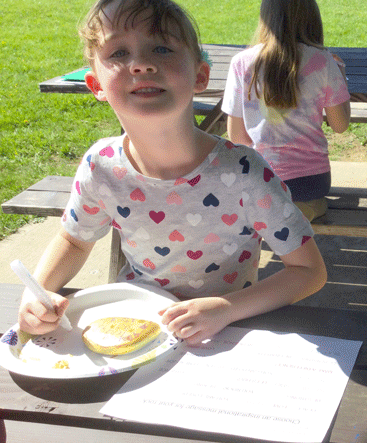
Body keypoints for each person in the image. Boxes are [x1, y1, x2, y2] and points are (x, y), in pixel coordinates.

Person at [17, 0, 327, 346]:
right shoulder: (100, 166)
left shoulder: (244, 173)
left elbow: (308, 272)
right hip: (135, 332)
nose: (142, 64)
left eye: (162, 47)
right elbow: (73, 240)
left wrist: (225, 308)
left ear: (200, 75)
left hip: (225, 336)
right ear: (96, 85)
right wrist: (38, 292)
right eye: (119, 53)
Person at [222, 0, 351, 221]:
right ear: (311, 17)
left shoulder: (241, 63)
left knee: (255, 203)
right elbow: (340, 126)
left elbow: (237, 137)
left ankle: (274, 216)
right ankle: (300, 212)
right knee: (302, 207)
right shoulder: (324, 61)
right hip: (312, 183)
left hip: (261, 179)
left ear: (266, 18)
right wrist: (341, 79)